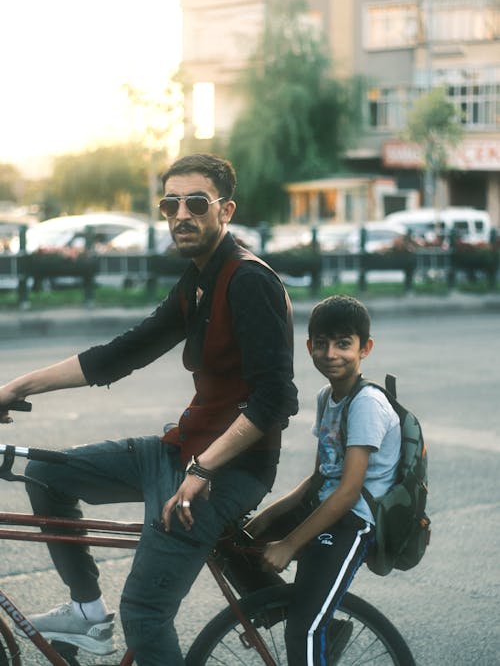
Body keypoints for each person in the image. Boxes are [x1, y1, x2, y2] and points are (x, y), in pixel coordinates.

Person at [0, 153, 298, 666]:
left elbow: (275, 401)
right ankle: (88, 613)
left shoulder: (249, 281)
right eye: (170, 203)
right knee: (45, 473)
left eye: (196, 203)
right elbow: (123, 353)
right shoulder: (200, 278)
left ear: (225, 210)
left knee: (143, 612)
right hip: (178, 450)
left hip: (228, 471)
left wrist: (205, 467)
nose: (181, 214)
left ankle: (115, 616)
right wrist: (16, 386)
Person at [245, 294, 401, 666]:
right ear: (309, 346)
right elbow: (320, 477)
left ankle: (313, 623)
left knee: (304, 630)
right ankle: (286, 610)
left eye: (344, 344)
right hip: (326, 506)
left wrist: (288, 543)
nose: (331, 353)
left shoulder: (366, 404)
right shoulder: (326, 396)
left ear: (366, 348)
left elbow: (347, 492)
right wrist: (269, 517)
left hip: (353, 521)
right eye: (321, 343)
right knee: (234, 544)